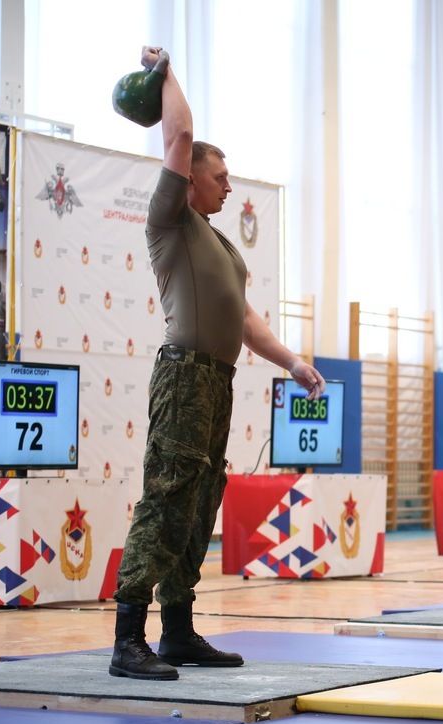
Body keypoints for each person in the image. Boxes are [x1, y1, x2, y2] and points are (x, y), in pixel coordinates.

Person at [109, 45, 325, 681]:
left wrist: (291, 360)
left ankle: (176, 630)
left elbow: (244, 319)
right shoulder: (169, 220)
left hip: (217, 382)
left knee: (201, 500)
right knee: (167, 498)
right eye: (220, 175)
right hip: (183, 377)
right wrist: (166, 73)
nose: (229, 183)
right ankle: (128, 636)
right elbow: (178, 132)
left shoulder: (221, 243)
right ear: (191, 177)